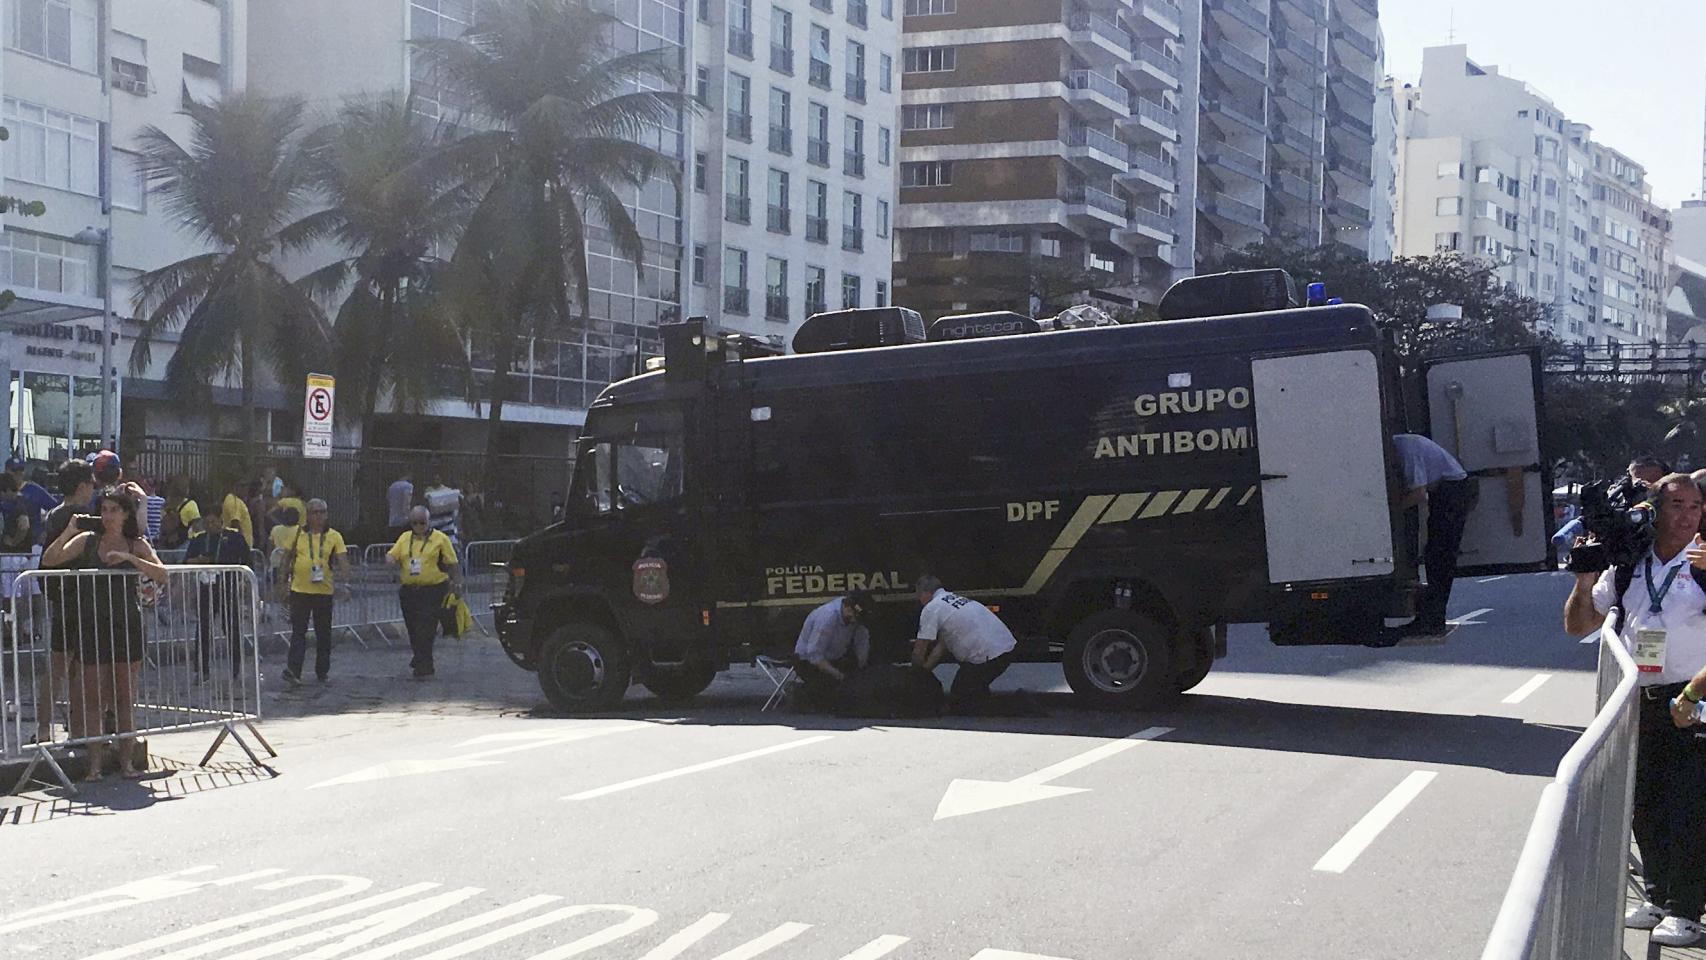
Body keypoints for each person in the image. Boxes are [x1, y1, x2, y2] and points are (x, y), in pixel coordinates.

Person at [1565, 473, 1706, 947]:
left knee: (1689, 807)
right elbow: (1578, 624)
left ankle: (1687, 909)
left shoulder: (1704, 561)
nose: (1686, 516)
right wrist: (1584, 581)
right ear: (1654, 510)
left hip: (1693, 700)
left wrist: (1692, 697)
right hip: (1639, 700)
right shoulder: (1628, 565)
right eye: (1676, 505)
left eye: (1694, 506)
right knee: (1643, 804)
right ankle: (1659, 897)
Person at [42, 487, 168, 780]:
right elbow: (50, 560)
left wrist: (129, 558)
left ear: (126, 514)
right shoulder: (87, 541)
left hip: (126, 623)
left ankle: (127, 764)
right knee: (94, 698)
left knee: (124, 696)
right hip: (92, 623)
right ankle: (94, 767)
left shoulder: (135, 543)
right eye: (104, 510)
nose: (108, 515)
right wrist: (68, 530)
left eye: (114, 509)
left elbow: (162, 573)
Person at [33, 459, 94, 743]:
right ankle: (76, 729)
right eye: (91, 483)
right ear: (82, 486)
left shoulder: (55, 514)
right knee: (76, 668)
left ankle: (46, 728)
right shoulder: (80, 516)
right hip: (79, 596)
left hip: (62, 597)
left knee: (58, 667)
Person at [1392, 433, 1475, 637]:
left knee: (1439, 559)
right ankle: (1430, 618)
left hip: (1452, 492)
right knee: (1436, 557)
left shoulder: (1406, 450)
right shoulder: (1405, 443)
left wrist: (1390, 513)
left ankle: (1432, 621)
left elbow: (1418, 494)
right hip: (1449, 489)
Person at [911, 574, 1018, 714]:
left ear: (926, 592)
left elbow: (919, 650)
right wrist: (925, 672)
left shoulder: (932, 608)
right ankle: (981, 694)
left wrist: (913, 678)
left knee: (961, 702)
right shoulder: (953, 600)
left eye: (919, 595)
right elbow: (941, 647)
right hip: (1005, 649)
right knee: (971, 690)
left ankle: (1017, 703)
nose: (919, 600)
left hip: (987, 656)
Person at [280, 499, 351, 684]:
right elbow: (286, 558)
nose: (319, 516)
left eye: (322, 512)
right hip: (299, 590)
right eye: (315, 512)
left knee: (323, 633)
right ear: (308, 515)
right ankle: (293, 670)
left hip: (323, 591)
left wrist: (346, 583)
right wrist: (281, 583)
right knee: (298, 632)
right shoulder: (297, 534)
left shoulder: (334, 536)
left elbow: (342, 560)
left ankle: (322, 671)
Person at [386, 506, 461, 678]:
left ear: (429, 522)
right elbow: (393, 554)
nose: (419, 526)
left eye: (422, 522)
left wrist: (457, 583)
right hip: (410, 591)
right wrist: (389, 559)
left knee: (426, 628)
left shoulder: (440, 539)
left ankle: (425, 664)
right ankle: (420, 657)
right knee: (412, 628)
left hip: (433, 590)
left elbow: (452, 563)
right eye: (415, 523)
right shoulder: (405, 538)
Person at [184, 504, 253, 679]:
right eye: (207, 523)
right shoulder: (199, 539)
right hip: (206, 588)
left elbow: (247, 560)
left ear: (220, 521)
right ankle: (201, 668)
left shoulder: (234, 538)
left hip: (228, 587)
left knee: (231, 627)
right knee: (203, 628)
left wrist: (244, 580)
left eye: (213, 522)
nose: (210, 526)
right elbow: (186, 561)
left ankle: (236, 666)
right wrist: (199, 561)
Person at [792, 590, 872, 708]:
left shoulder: (855, 618)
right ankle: (799, 692)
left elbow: (862, 643)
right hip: (808, 662)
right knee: (832, 697)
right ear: (847, 608)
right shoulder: (827, 617)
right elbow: (814, 655)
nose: (855, 621)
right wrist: (838, 675)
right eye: (854, 616)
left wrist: (860, 669)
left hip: (835, 659)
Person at [4, 455, 58, 541]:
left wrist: (46, 531)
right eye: (14, 470)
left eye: (21, 470)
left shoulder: (35, 490)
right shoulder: (3, 492)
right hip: (7, 543)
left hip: (34, 544)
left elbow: (57, 509)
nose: (18, 473)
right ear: (7, 471)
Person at [222, 478, 254, 548]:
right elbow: (235, 523)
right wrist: (241, 543)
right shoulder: (233, 501)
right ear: (234, 486)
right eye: (242, 486)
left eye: (246, 486)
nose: (245, 489)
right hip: (240, 546)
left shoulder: (236, 500)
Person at [387, 472, 415, 538]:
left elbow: (388, 501)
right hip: (404, 521)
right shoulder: (408, 486)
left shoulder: (391, 486)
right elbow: (407, 503)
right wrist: (408, 517)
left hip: (392, 520)